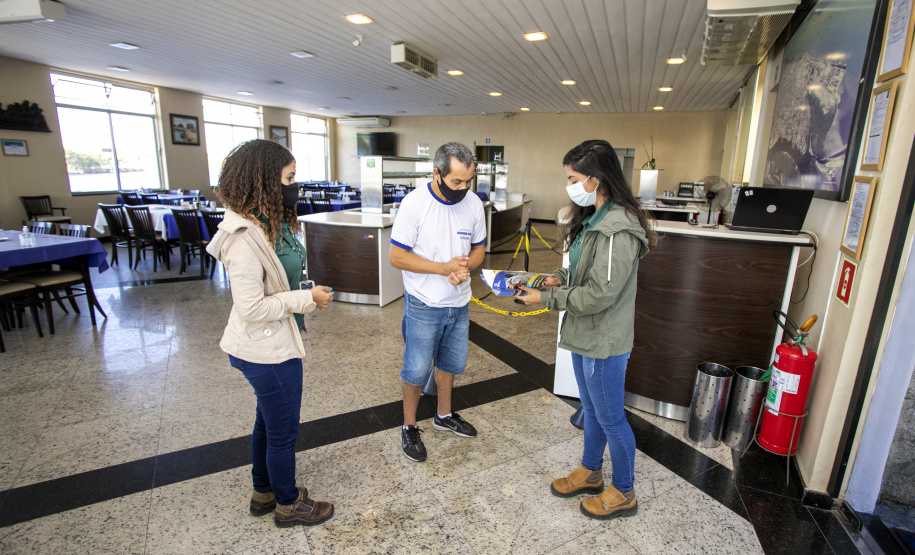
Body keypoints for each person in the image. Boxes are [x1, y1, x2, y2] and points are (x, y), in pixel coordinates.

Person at [515, 139, 657, 520]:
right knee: (591, 408)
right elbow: (579, 273)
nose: (569, 185)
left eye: (573, 178)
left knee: (611, 416)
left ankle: (624, 491)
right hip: (583, 333)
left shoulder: (618, 229)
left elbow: (598, 295)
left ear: (596, 180)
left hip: (603, 341)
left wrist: (545, 301)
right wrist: (550, 280)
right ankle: (591, 471)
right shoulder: (592, 218)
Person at [206, 139, 335, 527]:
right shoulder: (243, 237)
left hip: (274, 342)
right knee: (283, 431)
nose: (295, 185)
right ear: (265, 181)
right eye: (289, 178)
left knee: (267, 421)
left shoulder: (269, 221)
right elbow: (253, 308)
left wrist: (303, 291)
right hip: (266, 350)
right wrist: (305, 298)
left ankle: (263, 492)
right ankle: (287, 504)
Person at [389, 142, 487, 462]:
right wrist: (442, 269)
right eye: (456, 181)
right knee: (416, 369)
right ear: (437, 173)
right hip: (423, 303)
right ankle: (409, 426)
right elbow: (397, 256)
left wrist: (465, 268)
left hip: (458, 302)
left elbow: (478, 249)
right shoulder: (415, 204)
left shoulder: (472, 203)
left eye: (468, 181)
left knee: (449, 363)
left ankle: (444, 416)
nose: (463, 188)